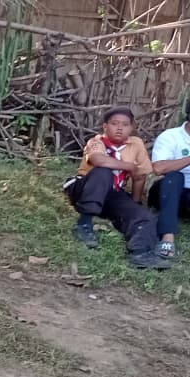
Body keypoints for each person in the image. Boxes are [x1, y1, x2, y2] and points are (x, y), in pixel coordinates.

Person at [66, 107, 169, 269]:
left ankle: (140, 252)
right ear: (105, 126)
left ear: (131, 128)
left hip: (113, 194)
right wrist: (130, 166)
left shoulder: (136, 144)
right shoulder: (96, 142)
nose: (120, 128)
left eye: (125, 124)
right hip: (85, 189)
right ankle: (84, 224)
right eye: (114, 124)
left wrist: (135, 202)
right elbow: (100, 161)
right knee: (103, 172)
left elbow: (139, 176)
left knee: (143, 216)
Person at [150, 101, 190, 259]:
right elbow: (159, 168)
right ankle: (167, 237)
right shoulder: (171, 136)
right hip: (168, 192)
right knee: (175, 176)